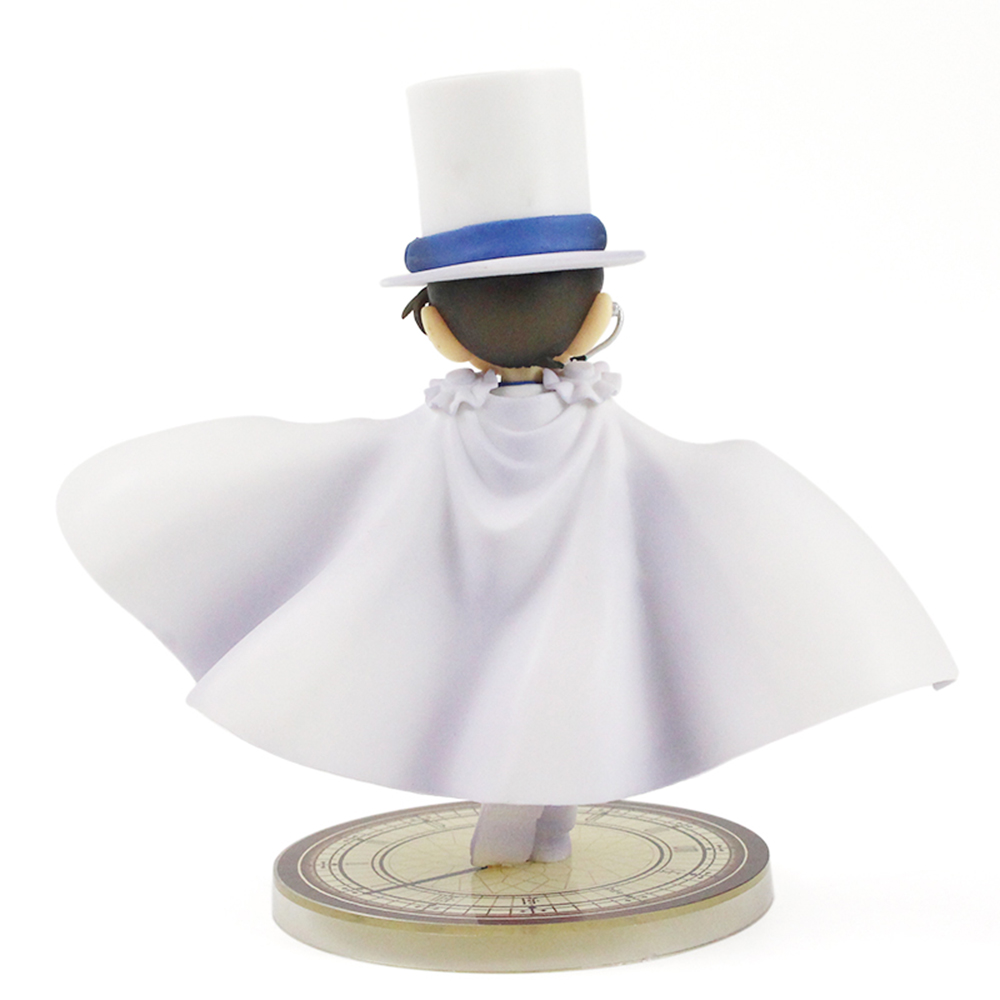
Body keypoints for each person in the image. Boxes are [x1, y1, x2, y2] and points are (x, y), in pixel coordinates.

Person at [58, 70, 956, 869]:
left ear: (435, 325)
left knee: (525, 713)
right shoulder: (581, 422)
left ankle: (527, 830)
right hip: (571, 604)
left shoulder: (458, 428)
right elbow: (678, 493)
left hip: (532, 601)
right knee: (553, 711)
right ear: (599, 312)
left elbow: (358, 485)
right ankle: (530, 833)